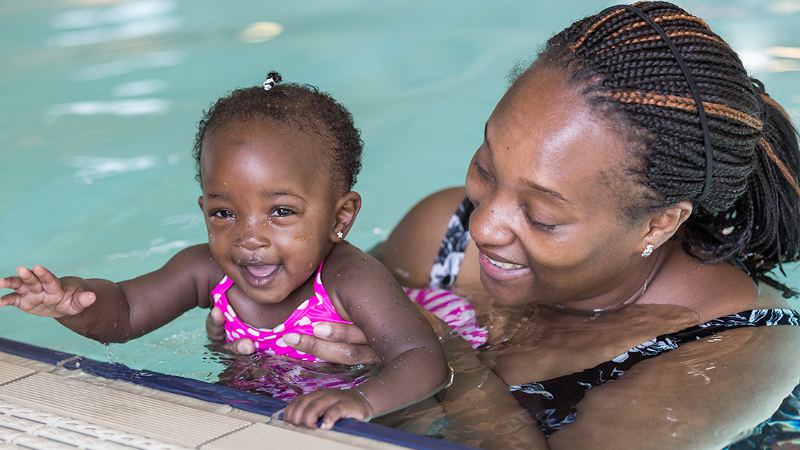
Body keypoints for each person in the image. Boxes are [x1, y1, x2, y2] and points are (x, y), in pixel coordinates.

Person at [207, 3, 800, 448]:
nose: (484, 226)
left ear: (660, 224)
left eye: (541, 216)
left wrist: (439, 355)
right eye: (486, 168)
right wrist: (263, 336)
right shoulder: (442, 234)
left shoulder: (730, 351)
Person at [0, 72, 450, 430]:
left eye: (280, 211)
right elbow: (127, 312)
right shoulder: (207, 269)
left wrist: (361, 402)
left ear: (340, 217)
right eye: (223, 213)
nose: (248, 237)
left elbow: (421, 358)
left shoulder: (350, 279)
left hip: (356, 427)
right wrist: (70, 301)